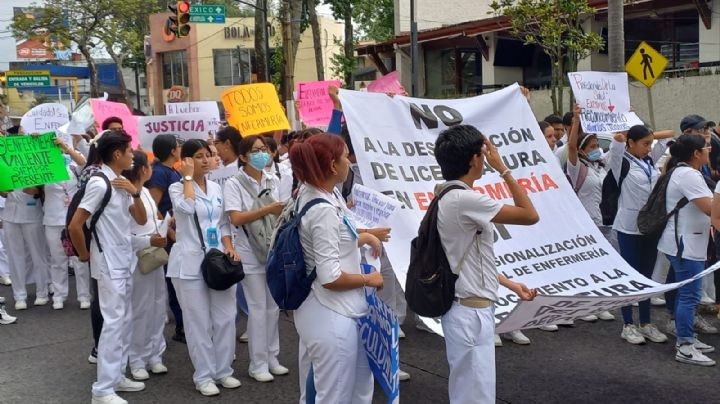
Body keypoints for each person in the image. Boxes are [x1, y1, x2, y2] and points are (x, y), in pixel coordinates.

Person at [434, 124, 538, 404]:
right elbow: (530, 215)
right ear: (474, 159)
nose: (487, 158)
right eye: (483, 153)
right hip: (468, 311)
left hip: (470, 306)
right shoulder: (463, 198)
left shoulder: (449, 194)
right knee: (474, 395)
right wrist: (503, 169)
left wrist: (510, 283)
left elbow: (474, 258)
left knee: (474, 391)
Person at [291, 133, 384, 403]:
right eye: (345, 156)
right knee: (334, 395)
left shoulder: (323, 191)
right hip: (330, 311)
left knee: (353, 388)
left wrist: (361, 238)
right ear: (332, 165)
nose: (349, 162)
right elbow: (330, 276)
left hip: (337, 309)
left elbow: (333, 240)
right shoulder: (322, 208)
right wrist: (369, 279)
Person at [68, 130, 149, 404]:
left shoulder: (120, 181)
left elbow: (140, 219)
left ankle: (116, 377)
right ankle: (102, 390)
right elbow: (75, 225)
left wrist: (135, 193)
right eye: (129, 151)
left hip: (124, 260)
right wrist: (83, 255)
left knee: (123, 321)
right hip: (107, 262)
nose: (133, 156)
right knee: (113, 324)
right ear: (117, 154)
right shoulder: (99, 184)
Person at [167, 139, 242, 396]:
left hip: (217, 259)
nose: (206, 160)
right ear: (186, 160)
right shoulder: (176, 188)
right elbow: (186, 208)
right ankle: (204, 375)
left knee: (225, 317)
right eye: (199, 156)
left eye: (208, 155)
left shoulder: (216, 188)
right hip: (188, 263)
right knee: (198, 321)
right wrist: (187, 178)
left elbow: (222, 223)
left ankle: (224, 371)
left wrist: (228, 245)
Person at [224, 135, 288, 383]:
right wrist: (267, 209)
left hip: (271, 250)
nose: (262, 154)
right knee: (258, 308)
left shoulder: (274, 179)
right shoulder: (234, 183)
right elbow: (236, 218)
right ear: (243, 157)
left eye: (264, 150)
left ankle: (273, 357)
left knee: (273, 308)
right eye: (255, 151)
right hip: (249, 252)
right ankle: (257, 363)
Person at [609, 124, 673, 345]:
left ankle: (645, 323)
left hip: (650, 226)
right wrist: (621, 133)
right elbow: (617, 145)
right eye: (644, 144)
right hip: (628, 228)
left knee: (647, 276)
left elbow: (670, 134)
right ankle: (628, 324)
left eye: (650, 144)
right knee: (631, 275)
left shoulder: (649, 162)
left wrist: (649, 137)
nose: (649, 148)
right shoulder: (621, 163)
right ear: (631, 143)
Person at [660, 133, 715, 366]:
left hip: (688, 242)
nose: (709, 150)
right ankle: (684, 345)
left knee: (689, 294)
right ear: (696, 154)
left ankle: (688, 338)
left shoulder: (686, 172)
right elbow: (710, 208)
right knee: (689, 295)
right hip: (684, 244)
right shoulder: (689, 175)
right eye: (706, 147)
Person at [565, 105, 616, 322]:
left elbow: (616, 148)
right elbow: (570, 146)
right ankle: (582, 306)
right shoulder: (577, 167)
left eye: (598, 145)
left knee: (600, 264)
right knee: (582, 265)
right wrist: (576, 120)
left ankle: (597, 302)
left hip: (600, 220)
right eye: (593, 146)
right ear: (583, 149)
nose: (597, 149)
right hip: (582, 223)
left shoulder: (599, 165)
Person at [125, 151, 169, 381]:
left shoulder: (146, 194)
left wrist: (166, 226)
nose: (152, 169)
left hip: (154, 257)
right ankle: (137, 359)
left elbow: (153, 220)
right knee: (140, 309)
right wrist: (147, 240)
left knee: (157, 306)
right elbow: (124, 234)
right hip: (137, 259)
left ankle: (155, 354)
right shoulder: (127, 195)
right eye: (149, 165)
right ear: (143, 169)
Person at [144, 134, 184, 344]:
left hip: (176, 232)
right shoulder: (160, 173)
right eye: (178, 146)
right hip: (169, 236)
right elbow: (154, 206)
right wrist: (169, 231)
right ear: (171, 150)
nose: (180, 148)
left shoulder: (172, 170)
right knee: (174, 281)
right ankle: (181, 326)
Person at [44, 137, 89, 310]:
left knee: (79, 258)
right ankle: (59, 295)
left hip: (74, 217)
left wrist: (67, 148)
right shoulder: (44, 166)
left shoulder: (72, 165)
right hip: (52, 218)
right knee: (57, 259)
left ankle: (84, 295)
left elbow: (83, 163)